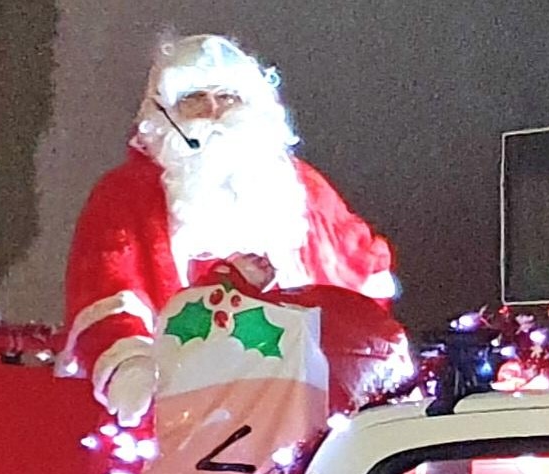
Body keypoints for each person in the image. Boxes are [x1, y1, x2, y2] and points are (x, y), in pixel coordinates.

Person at [60, 34, 399, 426]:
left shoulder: (304, 188)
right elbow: (106, 288)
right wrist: (132, 367)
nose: (213, 111)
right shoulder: (124, 194)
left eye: (228, 97)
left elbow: (360, 274)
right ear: (164, 112)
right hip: (186, 412)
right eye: (194, 98)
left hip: (308, 408)